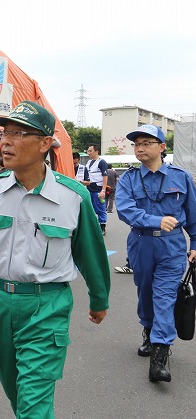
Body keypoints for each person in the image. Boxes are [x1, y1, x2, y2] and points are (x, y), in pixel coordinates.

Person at [0, 101, 110, 418]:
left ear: (45, 143)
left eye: (18, 133)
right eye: (4, 133)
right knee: (15, 387)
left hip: (46, 306)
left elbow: (91, 253)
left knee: (34, 403)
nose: (5, 141)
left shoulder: (72, 196)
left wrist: (99, 299)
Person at [116, 124, 196, 382]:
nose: (140, 148)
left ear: (162, 147)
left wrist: (194, 244)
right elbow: (125, 210)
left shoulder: (181, 177)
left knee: (165, 295)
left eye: (146, 143)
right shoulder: (128, 178)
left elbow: (193, 214)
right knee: (146, 292)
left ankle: (160, 355)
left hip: (171, 246)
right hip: (141, 243)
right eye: (137, 144)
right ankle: (148, 330)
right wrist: (154, 221)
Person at [81, 144, 108, 235]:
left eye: (90, 151)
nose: (89, 153)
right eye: (88, 151)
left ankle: (102, 227)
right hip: (89, 188)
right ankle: (93, 226)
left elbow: (105, 177)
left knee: (100, 208)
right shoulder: (89, 162)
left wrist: (103, 190)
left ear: (96, 151)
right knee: (90, 208)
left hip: (98, 189)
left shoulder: (101, 162)